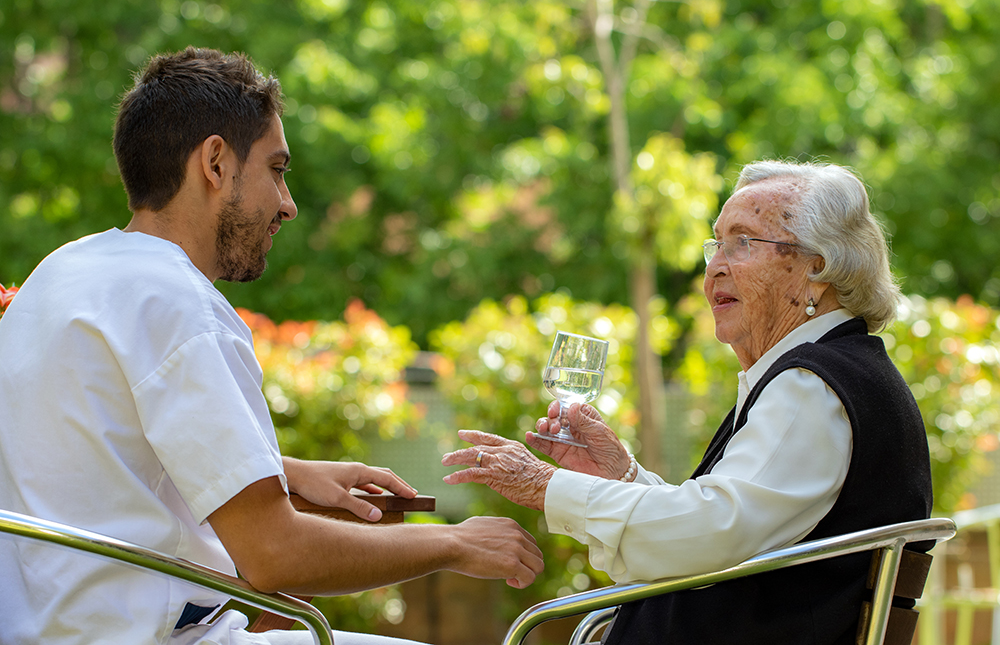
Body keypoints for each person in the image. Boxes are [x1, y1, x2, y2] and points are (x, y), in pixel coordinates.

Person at [0, 47, 543, 645]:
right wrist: (456, 542)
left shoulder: (61, 274)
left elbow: (91, 452)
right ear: (215, 163)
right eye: (277, 169)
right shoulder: (179, 305)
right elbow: (275, 555)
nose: (288, 203)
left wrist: (284, 473)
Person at [442, 160, 933, 645]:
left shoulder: (812, 385)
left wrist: (545, 484)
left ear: (817, 267)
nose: (715, 267)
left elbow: (714, 531)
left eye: (743, 242)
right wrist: (622, 476)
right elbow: (727, 524)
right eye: (716, 245)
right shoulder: (832, 372)